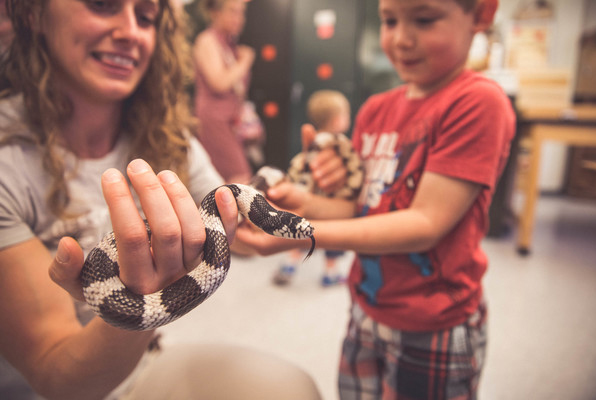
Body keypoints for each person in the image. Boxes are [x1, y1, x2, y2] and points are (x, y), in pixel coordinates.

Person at [0, 1, 321, 399]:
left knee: (291, 388)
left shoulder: (169, 137)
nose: (131, 31)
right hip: (64, 386)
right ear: (33, 15)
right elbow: (58, 378)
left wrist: (312, 186)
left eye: (147, 17)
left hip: (143, 364)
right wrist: (134, 309)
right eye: (103, 4)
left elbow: (236, 223)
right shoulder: (7, 162)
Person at [237, 0, 515, 398]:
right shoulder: (374, 110)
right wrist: (304, 201)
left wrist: (302, 232)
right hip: (365, 310)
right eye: (388, 20)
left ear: (481, 15)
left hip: (434, 322)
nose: (401, 39)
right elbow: (363, 209)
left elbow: (424, 225)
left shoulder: (477, 102)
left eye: (424, 19)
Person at [273, 90, 352, 287]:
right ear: (338, 120)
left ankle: (289, 265)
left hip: (306, 201)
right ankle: (330, 273)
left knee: (302, 235)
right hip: (330, 204)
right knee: (333, 239)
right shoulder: (341, 145)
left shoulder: (312, 144)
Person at [192, 0, 256, 183]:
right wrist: (244, 61)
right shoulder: (207, 40)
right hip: (214, 120)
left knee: (228, 178)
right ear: (215, 13)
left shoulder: (228, 43)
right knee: (239, 176)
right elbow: (219, 82)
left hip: (231, 121)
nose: (239, 18)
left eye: (241, 12)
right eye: (233, 12)